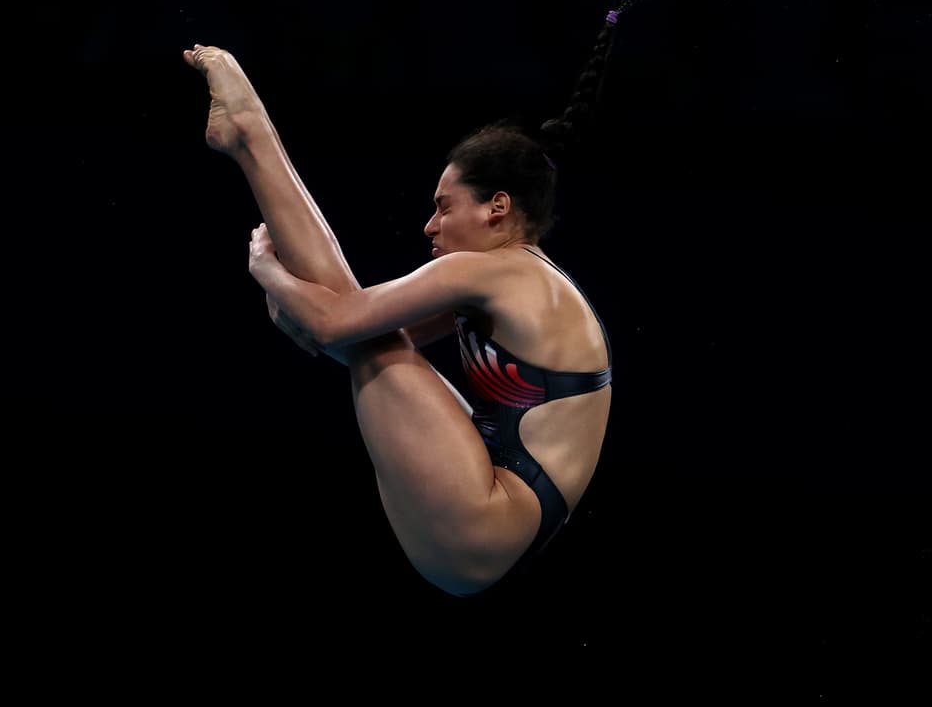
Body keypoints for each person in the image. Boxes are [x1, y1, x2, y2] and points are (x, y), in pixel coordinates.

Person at [183, 43, 614, 597]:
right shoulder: (520, 280)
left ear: (496, 208)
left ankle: (252, 136)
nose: (430, 226)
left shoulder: (494, 272)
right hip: (496, 530)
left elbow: (337, 321)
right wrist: (302, 307)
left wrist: (268, 271)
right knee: (374, 342)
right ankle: (249, 135)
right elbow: (347, 331)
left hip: (485, 521)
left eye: (444, 206)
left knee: (368, 340)